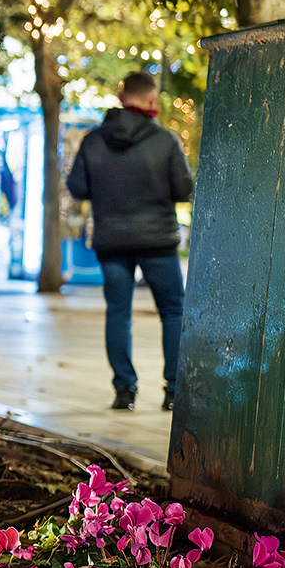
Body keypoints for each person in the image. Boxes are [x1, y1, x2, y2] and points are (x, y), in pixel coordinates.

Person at [66, 71, 195, 412]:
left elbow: (77, 187)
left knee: (118, 313)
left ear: (122, 99)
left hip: (112, 240)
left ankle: (124, 391)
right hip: (157, 241)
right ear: (151, 101)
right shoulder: (165, 141)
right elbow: (184, 189)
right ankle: (174, 390)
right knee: (172, 311)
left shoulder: (93, 141)